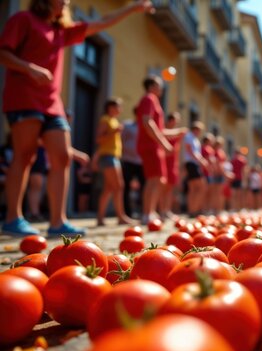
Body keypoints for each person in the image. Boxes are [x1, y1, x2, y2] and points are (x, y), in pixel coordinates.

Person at [0, 0, 153, 236]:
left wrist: (133, 8)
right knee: (25, 155)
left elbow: (102, 22)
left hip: (52, 103)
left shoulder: (61, 31)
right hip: (24, 98)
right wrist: (29, 68)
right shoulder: (23, 20)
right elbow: (3, 53)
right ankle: (13, 218)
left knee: (62, 156)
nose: (65, 2)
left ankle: (57, 222)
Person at [135, 75, 186, 224]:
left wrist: (177, 132)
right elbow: (147, 123)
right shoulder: (149, 98)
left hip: (153, 145)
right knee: (154, 179)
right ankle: (147, 213)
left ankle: (150, 212)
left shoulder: (153, 100)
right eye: (158, 84)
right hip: (150, 146)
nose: (161, 88)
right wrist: (164, 144)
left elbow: (159, 129)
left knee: (158, 180)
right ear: (151, 86)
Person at [95, 98, 134, 226]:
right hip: (108, 157)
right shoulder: (105, 120)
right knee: (118, 186)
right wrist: (114, 132)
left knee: (109, 188)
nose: (120, 110)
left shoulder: (113, 120)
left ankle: (100, 218)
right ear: (110, 107)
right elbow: (99, 139)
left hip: (113, 157)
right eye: (118, 107)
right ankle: (120, 216)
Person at [160, 112, 186, 219]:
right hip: (164, 160)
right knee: (163, 187)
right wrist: (179, 132)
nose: (176, 123)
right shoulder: (165, 130)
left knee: (170, 187)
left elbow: (178, 148)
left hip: (172, 162)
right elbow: (163, 134)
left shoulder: (176, 134)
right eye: (175, 120)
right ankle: (161, 210)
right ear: (170, 120)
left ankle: (167, 209)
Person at [182, 121, 208, 216]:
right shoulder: (189, 136)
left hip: (194, 164)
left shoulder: (195, 139)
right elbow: (190, 151)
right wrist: (201, 161)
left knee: (193, 188)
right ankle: (193, 209)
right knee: (199, 187)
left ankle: (193, 209)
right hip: (192, 163)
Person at [121, 119, 144, 218]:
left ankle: (143, 211)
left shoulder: (145, 127)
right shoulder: (127, 125)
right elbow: (121, 139)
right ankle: (127, 212)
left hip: (141, 161)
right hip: (128, 160)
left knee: (144, 186)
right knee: (126, 187)